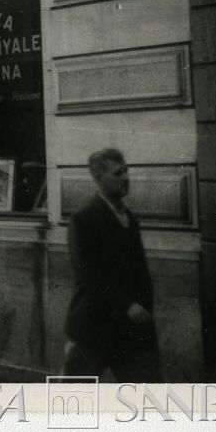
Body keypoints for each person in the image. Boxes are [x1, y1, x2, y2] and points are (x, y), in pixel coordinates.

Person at [63, 148, 163, 382]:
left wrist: (144, 309)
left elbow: (139, 271)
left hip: (131, 329)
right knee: (74, 394)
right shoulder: (84, 219)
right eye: (118, 173)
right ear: (99, 178)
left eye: (126, 171)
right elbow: (87, 273)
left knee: (148, 391)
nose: (126, 178)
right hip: (94, 326)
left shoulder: (130, 219)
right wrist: (126, 305)